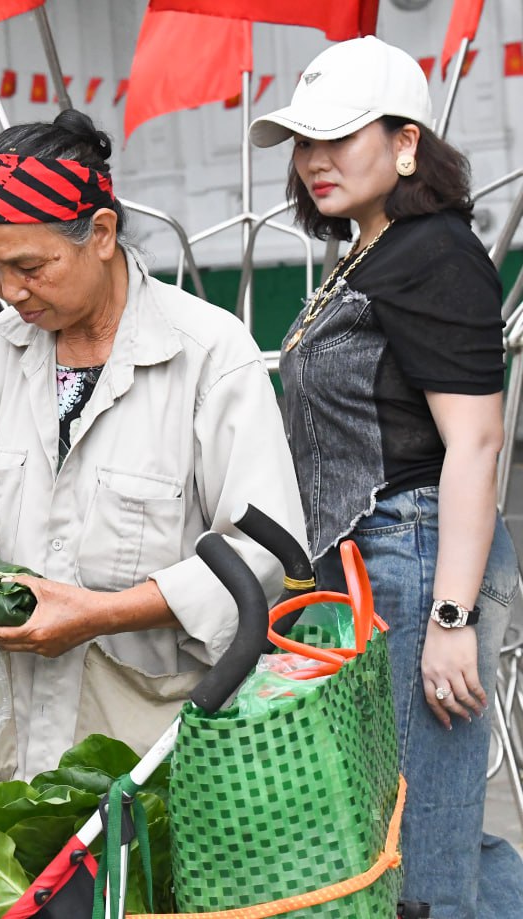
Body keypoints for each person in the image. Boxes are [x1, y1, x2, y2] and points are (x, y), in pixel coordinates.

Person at [0, 109, 306, 798]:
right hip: (15, 757)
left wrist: (101, 612)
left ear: (100, 233)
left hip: (155, 753)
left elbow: (262, 556)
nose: (9, 292)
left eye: (30, 267)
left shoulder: (209, 356)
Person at [249, 35, 523, 917]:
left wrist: (452, 616)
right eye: (303, 141)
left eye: (341, 136)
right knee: (397, 826)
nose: (315, 160)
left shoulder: (434, 251)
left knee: (422, 843)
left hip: (417, 561)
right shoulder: (373, 250)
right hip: (371, 568)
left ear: (407, 145)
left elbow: (477, 444)